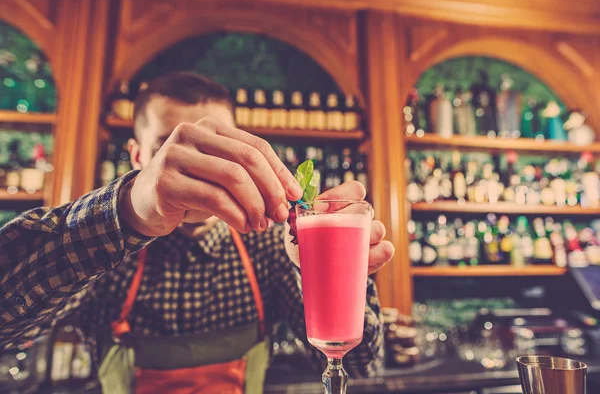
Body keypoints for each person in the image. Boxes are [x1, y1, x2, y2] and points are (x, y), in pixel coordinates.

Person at [0, 72, 394, 393]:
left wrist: (322, 267)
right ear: (138, 156)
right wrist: (128, 210)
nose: (198, 167)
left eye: (214, 147)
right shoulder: (103, 255)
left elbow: (358, 367)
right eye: (171, 147)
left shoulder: (270, 248)